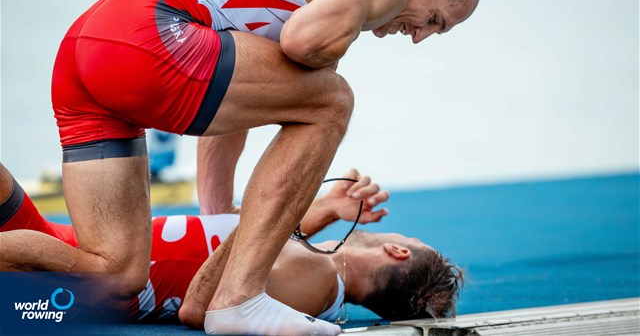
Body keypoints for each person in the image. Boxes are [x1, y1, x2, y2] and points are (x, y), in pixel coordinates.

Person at [0, 0, 480, 335]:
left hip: (84, 49)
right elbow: (300, 45)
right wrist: (328, 66)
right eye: (435, 19)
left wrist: (219, 210)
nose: (420, 37)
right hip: (147, 35)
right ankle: (238, 300)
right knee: (333, 101)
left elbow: (247, 90)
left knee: (116, 272)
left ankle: (234, 289)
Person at [0, 163, 462, 326]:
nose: (402, 235)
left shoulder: (315, 282)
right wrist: (321, 210)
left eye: (408, 238)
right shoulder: (319, 272)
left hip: (70, 274)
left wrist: (265, 209)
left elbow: (202, 307)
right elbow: (264, 245)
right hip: (67, 246)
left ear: (398, 252)